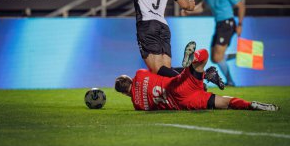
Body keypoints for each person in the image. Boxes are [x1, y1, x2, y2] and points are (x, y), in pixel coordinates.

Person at [94, 0, 196, 78]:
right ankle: (194, 75)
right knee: (165, 71)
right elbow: (185, 5)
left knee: (158, 69)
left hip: (147, 24)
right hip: (163, 26)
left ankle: (195, 76)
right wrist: (191, 5)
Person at [115, 41, 279, 111]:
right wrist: (185, 73)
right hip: (179, 85)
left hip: (183, 102)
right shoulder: (140, 73)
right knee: (205, 55)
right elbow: (163, 71)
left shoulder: (138, 105)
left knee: (225, 102)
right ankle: (195, 63)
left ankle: (252, 105)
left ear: (124, 93)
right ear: (130, 78)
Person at [181, 0, 246, 87]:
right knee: (215, 58)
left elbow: (241, 6)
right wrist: (188, 11)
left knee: (217, 56)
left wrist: (240, 24)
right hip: (219, 25)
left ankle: (231, 82)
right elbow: (202, 7)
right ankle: (235, 56)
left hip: (228, 23)